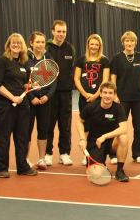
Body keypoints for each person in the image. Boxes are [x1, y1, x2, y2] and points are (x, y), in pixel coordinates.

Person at [0, 33, 37, 178]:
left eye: (19, 43)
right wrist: (12, 97)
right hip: (6, 105)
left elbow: (22, 83)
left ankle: (22, 167)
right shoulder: (2, 61)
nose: (16, 45)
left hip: (23, 105)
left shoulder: (24, 63)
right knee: (4, 136)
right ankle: (1, 168)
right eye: (14, 43)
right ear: (8, 45)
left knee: (22, 136)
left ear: (23, 45)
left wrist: (30, 85)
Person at [76, 82, 129, 182]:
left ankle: (120, 171)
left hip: (111, 142)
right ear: (100, 94)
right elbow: (79, 121)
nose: (107, 96)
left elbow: (123, 128)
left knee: (123, 137)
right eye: (105, 92)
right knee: (97, 174)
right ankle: (101, 164)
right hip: (95, 143)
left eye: (110, 93)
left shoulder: (118, 108)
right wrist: (82, 139)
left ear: (114, 95)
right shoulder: (91, 107)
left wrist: (105, 136)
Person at [110, 31, 140, 164]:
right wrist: (114, 94)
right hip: (122, 98)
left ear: (135, 43)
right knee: (119, 126)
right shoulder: (116, 58)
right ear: (123, 43)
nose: (129, 43)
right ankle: (113, 154)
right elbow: (113, 77)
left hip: (138, 98)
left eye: (132, 41)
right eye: (127, 41)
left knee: (139, 127)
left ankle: (138, 153)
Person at [74, 34, 111, 164]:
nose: (94, 46)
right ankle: (86, 154)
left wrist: (96, 95)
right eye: (92, 44)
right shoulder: (81, 60)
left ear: (100, 46)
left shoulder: (104, 61)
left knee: (98, 126)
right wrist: (85, 94)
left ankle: (100, 153)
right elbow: (76, 79)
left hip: (98, 98)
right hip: (84, 98)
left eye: (97, 44)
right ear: (88, 45)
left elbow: (105, 80)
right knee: (86, 127)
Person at [45, 20, 75, 166]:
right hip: (49, 94)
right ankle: (47, 153)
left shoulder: (70, 48)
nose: (61, 34)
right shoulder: (46, 48)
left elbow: (72, 70)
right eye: (58, 31)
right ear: (53, 31)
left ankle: (64, 153)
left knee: (65, 125)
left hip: (65, 94)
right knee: (48, 124)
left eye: (63, 31)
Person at [26, 31, 56, 170]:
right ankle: (24, 159)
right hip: (30, 101)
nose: (40, 44)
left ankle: (42, 158)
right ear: (31, 43)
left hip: (45, 101)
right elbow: (22, 80)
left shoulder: (48, 58)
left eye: (42, 42)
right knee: (26, 130)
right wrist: (31, 97)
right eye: (37, 42)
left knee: (43, 130)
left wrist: (47, 96)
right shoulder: (25, 58)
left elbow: (53, 80)